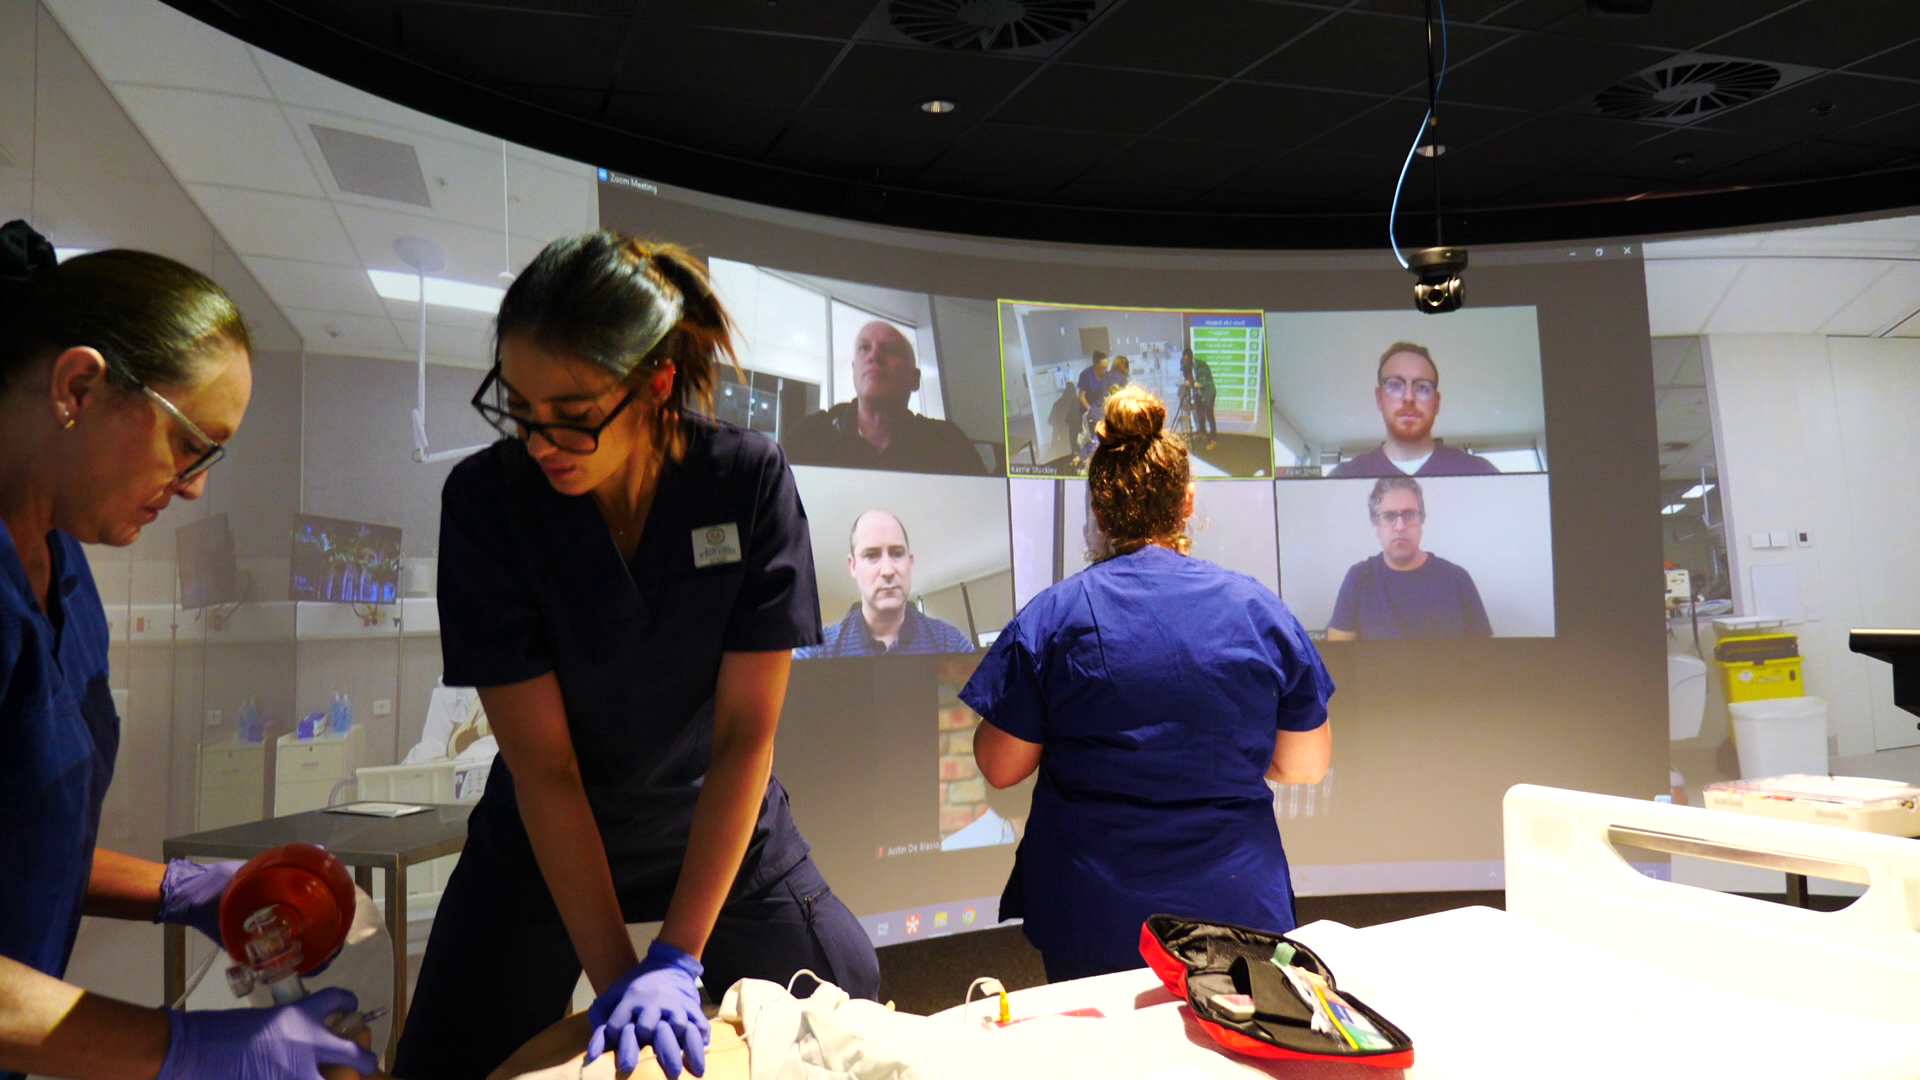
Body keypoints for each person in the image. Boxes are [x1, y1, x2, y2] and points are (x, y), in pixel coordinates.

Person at [393, 231, 879, 1080]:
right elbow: (546, 772)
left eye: (574, 418)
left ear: (656, 385)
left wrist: (679, 957)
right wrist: (620, 981)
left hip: (718, 823)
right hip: (545, 837)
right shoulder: (486, 503)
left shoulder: (747, 480)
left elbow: (742, 742)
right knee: (442, 1062)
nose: (540, 442)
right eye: (519, 409)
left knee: (847, 1006)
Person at [0, 221, 377, 1080]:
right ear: (78, 386)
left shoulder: (62, 574)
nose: (198, 484)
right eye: (189, 443)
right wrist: (186, 1049)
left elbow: (24, 840)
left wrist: (186, 890)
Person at [959, 386, 1334, 982]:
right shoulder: (1261, 613)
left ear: (1099, 511)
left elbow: (1000, 765)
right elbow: (1307, 765)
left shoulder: (1051, 619)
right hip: (1237, 911)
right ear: (1187, 503)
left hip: (1095, 918)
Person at [783, 319, 986, 476]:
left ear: (914, 379)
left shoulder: (948, 443)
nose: (874, 356)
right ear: (855, 370)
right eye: (864, 348)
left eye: (890, 350)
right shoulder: (811, 436)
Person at [1326, 477, 1492, 640]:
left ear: (1422, 519)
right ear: (1375, 524)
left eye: (1409, 514)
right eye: (1389, 516)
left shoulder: (1457, 579)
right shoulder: (1359, 578)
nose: (1400, 526)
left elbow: (1483, 658)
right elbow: (1340, 659)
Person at [795, 509, 974, 658]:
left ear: (910, 563)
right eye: (872, 555)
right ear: (853, 566)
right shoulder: (817, 651)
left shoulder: (951, 644)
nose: (888, 570)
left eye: (897, 553)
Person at [1328, 342, 1498, 478]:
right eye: (1395, 385)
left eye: (1423, 388)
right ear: (1379, 398)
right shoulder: (1344, 477)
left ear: (1436, 403)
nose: (1408, 397)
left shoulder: (1479, 472)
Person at [1180, 347, 1217, 449]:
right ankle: (1202, 433)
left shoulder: (1200, 365)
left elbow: (1202, 383)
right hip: (1199, 393)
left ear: (1191, 357)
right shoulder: (1188, 367)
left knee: (1209, 415)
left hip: (1208, 393)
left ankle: (1213, 440)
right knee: (1199, 412)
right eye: (1184, 360)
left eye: (1187, 359)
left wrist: (1191, 383)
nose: (1185, 361)